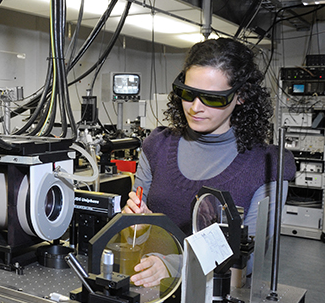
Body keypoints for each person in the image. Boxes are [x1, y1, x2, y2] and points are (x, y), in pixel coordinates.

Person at [123, 38, 295, 288]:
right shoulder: (157, 146)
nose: (195, 108)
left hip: (217, 301)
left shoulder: (266, 165)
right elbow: (135, 237)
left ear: (241, 96)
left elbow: (248, 259)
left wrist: (174, 265)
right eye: (187, 93)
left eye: (212, 99)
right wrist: (140, 225)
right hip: (148, 283)